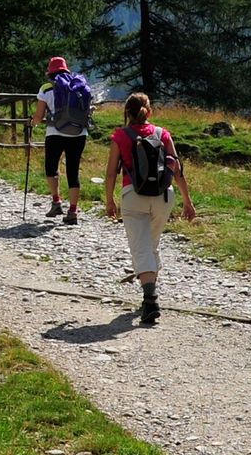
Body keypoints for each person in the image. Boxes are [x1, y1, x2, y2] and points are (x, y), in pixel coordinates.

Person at [105, 92, 196, 325]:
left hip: (133, 196)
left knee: (141, 248)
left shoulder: (120, 136)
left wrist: (109, 200)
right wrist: (187, 200)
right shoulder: (162, 134)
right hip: (164, 196)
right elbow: (176, 168)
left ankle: (150, 300)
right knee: (151, 244)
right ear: (149, 112)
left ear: (127, 113)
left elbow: (110, 172)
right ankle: (150, 290)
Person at [30, 56, 91, 225]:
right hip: (79, 133)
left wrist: (32, 123)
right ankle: (73, 211)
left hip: (54, 132)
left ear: (50, 72)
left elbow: (39, 116)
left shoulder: (46, 88)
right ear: (66, 70)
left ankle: (56, 202)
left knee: (51, 167)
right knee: (73, 170)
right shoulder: (79, 86)